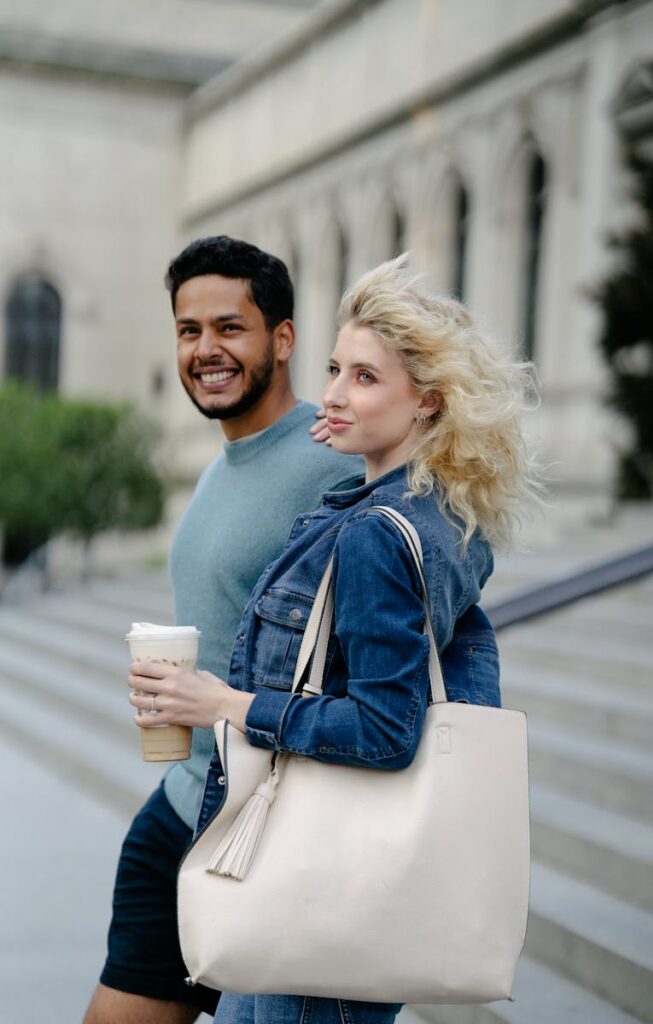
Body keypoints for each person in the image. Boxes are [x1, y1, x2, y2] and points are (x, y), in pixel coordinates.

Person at [128, 255, 539, 1024]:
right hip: (343, 874)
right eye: (335, 371)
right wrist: (356, 450)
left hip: (320, 876)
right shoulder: (435, 512)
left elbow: (384, 729)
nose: (336, 395)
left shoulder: (378, 537)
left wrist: (228, 703)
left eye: (365, 379)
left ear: (426, 400)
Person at [84, 236, 363, 1024]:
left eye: (229, 328)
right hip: (182, 803)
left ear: (282, 338)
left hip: (264, 831)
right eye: (187, 330)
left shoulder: (332, 460)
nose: (206, 349)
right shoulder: (222, 460)